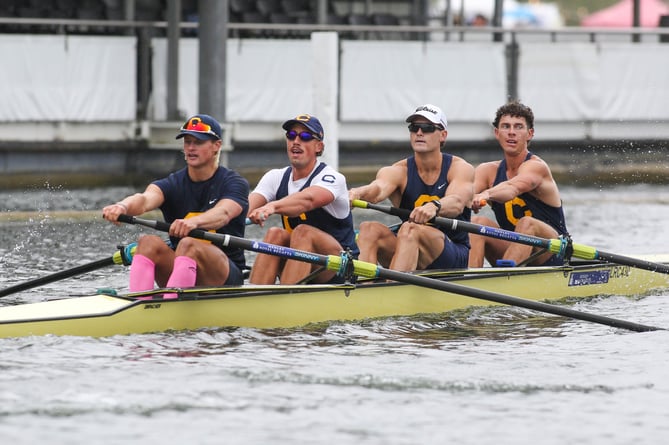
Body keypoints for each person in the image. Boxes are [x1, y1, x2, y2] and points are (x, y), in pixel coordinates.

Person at [102, 114, 249, 296]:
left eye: (198, 142)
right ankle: (140, 302)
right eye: (187, 142)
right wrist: (122, 207)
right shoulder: (173, 183)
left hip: (225, 276)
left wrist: (195, 223)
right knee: (147, 242)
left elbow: (224, 212)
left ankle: (171, 305)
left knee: (189, 244)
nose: (191, 148)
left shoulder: (233, 183)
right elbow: (145, 199)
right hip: (183, 267)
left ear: (216, 146)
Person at [348, 104, 474, 271]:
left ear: (443, 135)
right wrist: (357, 192)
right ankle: (363, 289)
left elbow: (457, 201)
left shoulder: (460, 168)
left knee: (410, 229)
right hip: (408, 244)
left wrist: (434, 206)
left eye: (428, 128)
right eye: (414, 128)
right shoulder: (398, 171)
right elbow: (377, 190)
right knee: (368, 228)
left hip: (452, 255)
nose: (419, 133)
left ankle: (392, 290)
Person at [246, 114, 358, 285]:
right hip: (303, 261)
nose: (296, 141)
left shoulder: (332, 178)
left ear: (319, 147)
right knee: (275, 234)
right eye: (291, 136)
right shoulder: (275, 177)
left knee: (303, 232)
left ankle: (287, 300)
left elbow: (308, 200)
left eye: (305, 137)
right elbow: (243, 208)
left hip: (340, 268)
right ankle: (253, 296)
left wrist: (271, 207)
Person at [468, 101, 569, 267]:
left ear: (530, 134)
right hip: (515, 248)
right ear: (497, 132)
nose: (511, 133)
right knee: (477, 223)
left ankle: (505, 278)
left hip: (552, 252)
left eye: (518, 127)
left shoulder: (536, 167)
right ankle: (469, 279)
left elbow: (511, 188)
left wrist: (485, 194)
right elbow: (461, 198)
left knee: (526, 223)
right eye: (506, 126)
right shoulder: (486, 171)